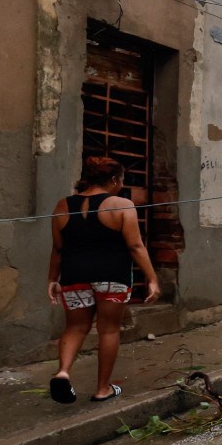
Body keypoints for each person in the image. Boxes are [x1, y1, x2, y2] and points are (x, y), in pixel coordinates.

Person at [47, 157, 161, 404]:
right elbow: (134, 245)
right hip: (112, 276)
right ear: (113, 180)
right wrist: (152, 278)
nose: (121, 185)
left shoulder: (62, 206)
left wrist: (52, 279)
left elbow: (58, 249)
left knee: (75, 328)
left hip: (73, 276)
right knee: (108, 330)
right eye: (121, 180)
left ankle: (63, 372)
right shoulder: (122, 204)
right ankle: (102, 389)